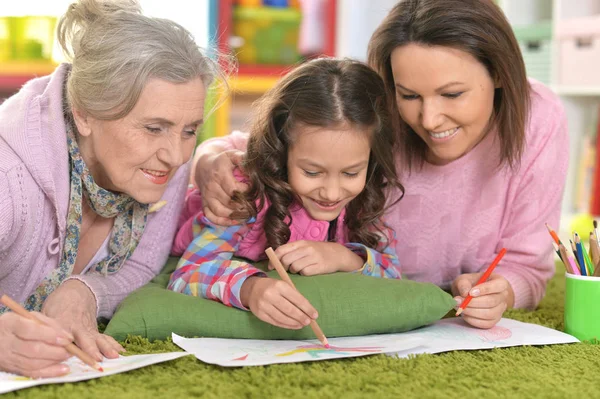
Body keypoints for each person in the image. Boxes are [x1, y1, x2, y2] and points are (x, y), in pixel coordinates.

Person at [191, 0, 568, 329]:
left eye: (452, 94)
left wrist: (503, 292)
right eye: (409, 95)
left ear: (500, 73)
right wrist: (209, 158)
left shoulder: (539, 118)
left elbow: (527, 270)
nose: (430, 118)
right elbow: (270, 146)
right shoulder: (378, 106)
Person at [0, 0, 221, 377]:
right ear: (85, 113)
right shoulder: (8, 176)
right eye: (154, 128)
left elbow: (143, 261)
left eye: (189, 130)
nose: (176, 155)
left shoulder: (161, 162)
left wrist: (85, 291)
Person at [168, 58, 404, 330]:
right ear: (281, 153)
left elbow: (393, 272)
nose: (331, 192)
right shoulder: (244, 190)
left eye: (351, 173)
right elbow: (187, 274)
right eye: (312, 172)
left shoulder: (365, 197)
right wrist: (250, 288)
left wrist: (343, 257)